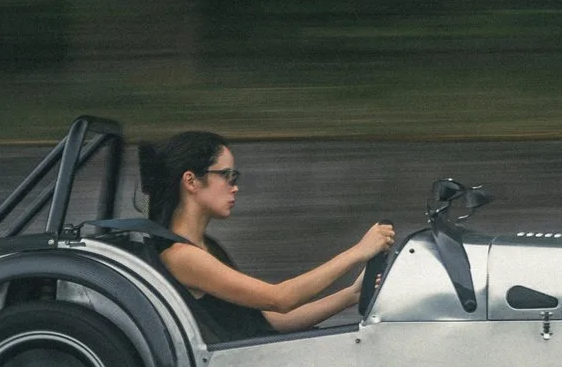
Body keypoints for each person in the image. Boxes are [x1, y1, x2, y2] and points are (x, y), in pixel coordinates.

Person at [137, 130, 394, 343]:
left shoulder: (205, 247)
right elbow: (280, 298)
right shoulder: (182, 256)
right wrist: (358, 252)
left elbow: (271, 320)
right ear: (191, 181)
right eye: (227, 175)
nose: (234, 186)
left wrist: (352, 295)